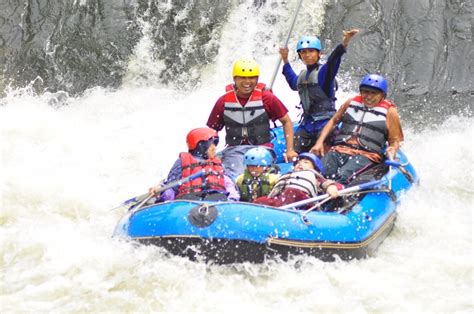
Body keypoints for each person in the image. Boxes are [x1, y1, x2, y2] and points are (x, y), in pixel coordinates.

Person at [207, 58, 298, 180]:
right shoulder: (223, 102)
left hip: (262, 147)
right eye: (242, 78)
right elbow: (211, 131)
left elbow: (286, 122)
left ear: (257, 79)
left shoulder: (267, 98)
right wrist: (211, 151)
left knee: (259, 176)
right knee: (236, 177)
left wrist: (290, 150)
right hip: (235, 150)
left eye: (251, 78)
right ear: (235, 79)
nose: (247, 82)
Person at [310, 74, 404, 184]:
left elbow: (395, 140)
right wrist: (319, 142)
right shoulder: (350, 103)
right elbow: (333, 122)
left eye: (373, 93)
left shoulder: (390, 112)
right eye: (365, 92)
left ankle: (337, 197)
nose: (368, 97)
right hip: (338, 150)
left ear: (382, 95)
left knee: (343, 175)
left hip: (366, 155)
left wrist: (392, 149)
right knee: (320, 173)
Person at [279, 29, 359, 153]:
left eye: (311, 51)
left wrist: (344, 43)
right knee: (293, 151)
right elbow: (293, 82)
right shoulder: (303, 75)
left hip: (325, 123)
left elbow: (333, 62)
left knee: (323, 152)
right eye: (303, 52)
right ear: (300, 56)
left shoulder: (324, 73)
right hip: (307, 124)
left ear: (319, 54)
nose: (307, 55)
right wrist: (285, 60)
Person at [149, 127, 240, 201]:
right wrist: (160, 191)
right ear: (201, 145)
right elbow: (171, 188)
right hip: (187, 203)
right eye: (212, 143)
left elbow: (229, 185)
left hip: (217, 201)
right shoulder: (181, 162)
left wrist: (232, 199)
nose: (214, 147)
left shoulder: (217, 164)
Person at [253, 152, 342, 208]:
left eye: (305, 162)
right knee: (261, 200)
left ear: (315, 168)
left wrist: (332, 188)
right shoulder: (287, 175)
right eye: (298, 163)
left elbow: (326, 184)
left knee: (292, 192)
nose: (300, 164)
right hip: (280, 200)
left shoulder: (314, 176)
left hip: (304, 201)